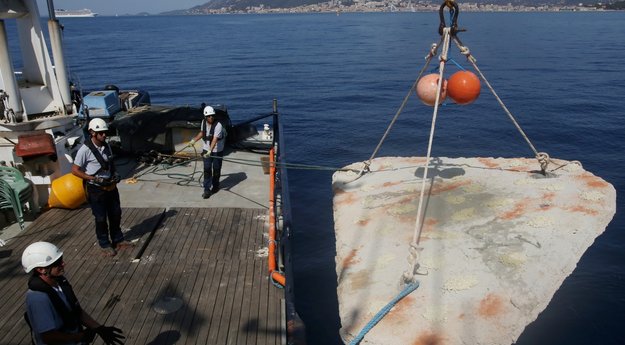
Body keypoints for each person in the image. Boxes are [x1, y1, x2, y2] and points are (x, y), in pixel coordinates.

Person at [22, 241, 125, 345]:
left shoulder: (59, 282)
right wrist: (80, 337)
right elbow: (48, 337)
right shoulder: (38, 299)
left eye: (61, 260)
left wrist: (99, 328)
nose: (63, 264)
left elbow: (76, 310)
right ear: (41, 269)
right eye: (57, 263)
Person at [72, 118, 130, 257]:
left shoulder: (106, 146)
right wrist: (93, 178)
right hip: (96, 190)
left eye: (105, 132)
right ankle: (104, 243)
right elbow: (75, 170)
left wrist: (115, 174)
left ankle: (118, 239)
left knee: (115, 214)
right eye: (101, 133)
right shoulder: (85, 150)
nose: (104, 135)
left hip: (110, 186)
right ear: (92, 133)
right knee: (101, 218)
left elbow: (110, 163)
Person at [188, 106, 226, 199]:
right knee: (207, 169)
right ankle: (206, 189)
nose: (211, 117)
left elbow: (214, 139)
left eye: (212, 115)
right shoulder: (203, 122)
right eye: (209, 116)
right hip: (206, 149)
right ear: (205, 117)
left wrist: (210, 150)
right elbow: (202, 133)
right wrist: (194, 140)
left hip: (217, 150)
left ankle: (216, 185)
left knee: (216, 169)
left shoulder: (218, 125)